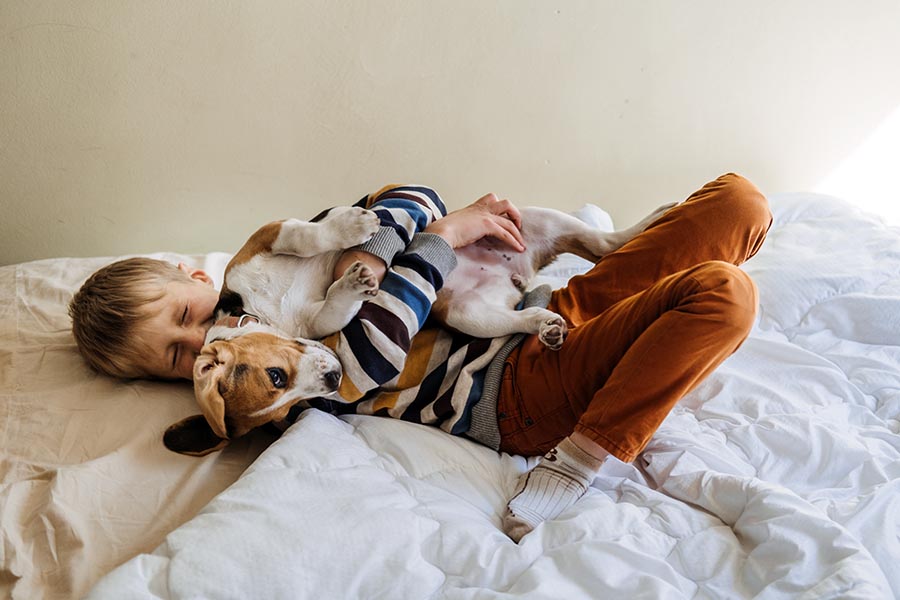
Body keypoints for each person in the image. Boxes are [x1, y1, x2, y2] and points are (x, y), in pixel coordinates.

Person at [69, 174, 772, 542]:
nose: (204, 347)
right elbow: (367, 359)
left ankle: (639, 312)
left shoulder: (261, 276)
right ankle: (584, 455)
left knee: (740, 202)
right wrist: (443, 234)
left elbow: (404, 196)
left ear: (199, 280)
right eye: (176, 361)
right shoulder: (263, 385)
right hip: (515, 393)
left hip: (539, 312)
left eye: (189, 321)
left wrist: (372, 247)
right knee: (724, 295)